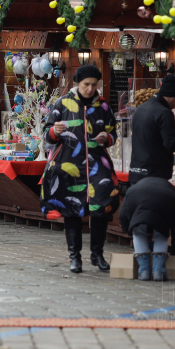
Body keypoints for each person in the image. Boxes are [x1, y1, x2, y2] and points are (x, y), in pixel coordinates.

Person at [40, 65, 119, 273]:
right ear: (77, 84)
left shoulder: (103, 107)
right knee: (71, 210)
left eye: (94, 85)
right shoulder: (62, 103)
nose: (90, 89)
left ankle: (97, 254)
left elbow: (113, 134)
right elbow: (46, 133)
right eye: (86, 85)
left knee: (101, 208)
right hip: (68, 165)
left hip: (97, 165)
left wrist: (107, 138)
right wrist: (54, 132)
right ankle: (75, 257)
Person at [129, 74, 175, 185]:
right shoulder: (164, 112)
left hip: (136, 173)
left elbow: (151, 136)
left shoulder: (141, 109)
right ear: (172, 96)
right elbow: (172, 145)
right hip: (154, 176)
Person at [118, 177, 175, 281]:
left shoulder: (132, 190)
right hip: (166, 198)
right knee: (161, 232)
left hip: (137, 196)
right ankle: (159, 271)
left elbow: (122, 216)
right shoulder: (173, 191)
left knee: (138, 232)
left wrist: (131, 232)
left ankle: (144, 270)